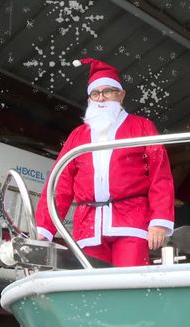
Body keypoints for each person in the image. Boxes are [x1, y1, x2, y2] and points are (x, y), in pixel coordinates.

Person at [34, 57, 175, 267]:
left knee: (129, 285)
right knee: (92, 291)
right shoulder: (78, 135)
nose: (101, 98)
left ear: (121, 95)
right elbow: (59, 183)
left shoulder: (142, 127)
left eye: (107, 91)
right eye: (95, 93)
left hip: (131, 221)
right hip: (88, 225)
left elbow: (160, 176)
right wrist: (44, 229)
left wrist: (159, 222)